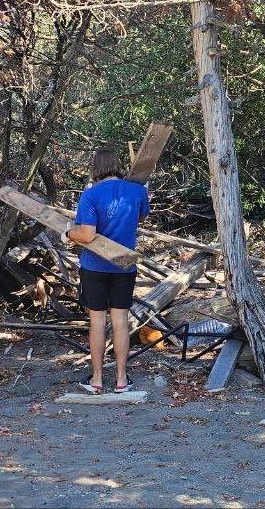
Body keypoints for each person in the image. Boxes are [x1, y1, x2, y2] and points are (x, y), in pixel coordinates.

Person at [61, 148, 149, 394]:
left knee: (97, 321)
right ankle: (121, 380)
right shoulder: (137, 191)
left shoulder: (91, 195)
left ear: (95, 168)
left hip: (95, 267)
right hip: (124, 265)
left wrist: (68, 233)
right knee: (121, 321)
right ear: (117, 165)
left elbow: (87, 234)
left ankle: (97, 380)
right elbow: (141, 216)